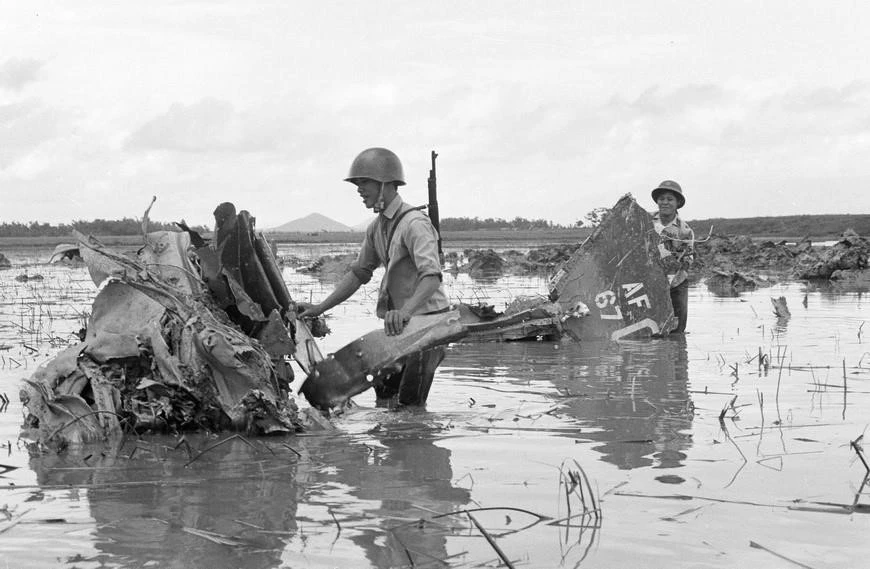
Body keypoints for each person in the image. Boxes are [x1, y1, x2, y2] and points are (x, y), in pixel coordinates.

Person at [297, 147, 451, 407]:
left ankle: (417, 444)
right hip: (398, 328)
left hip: (427, 327)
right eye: (357, 183)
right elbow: (358, 274)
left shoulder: (415, 224)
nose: (359, 189)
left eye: (364, 182)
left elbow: (432, 276)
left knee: (410, 406)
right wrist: (319, 308)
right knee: (386, 399)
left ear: (385, 184)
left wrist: (406, 312)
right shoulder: (376, 228)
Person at [651, 180, 694, 334]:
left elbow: (688, 260)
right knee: (651, 327)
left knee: (677, 330)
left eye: (670, 199)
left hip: (676, 283)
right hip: (649, 282)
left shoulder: (685, 230)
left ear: (678, 203)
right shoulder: (646, 222)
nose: (665, 202)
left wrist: (674, 261)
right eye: (661, 199)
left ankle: (678, 355)